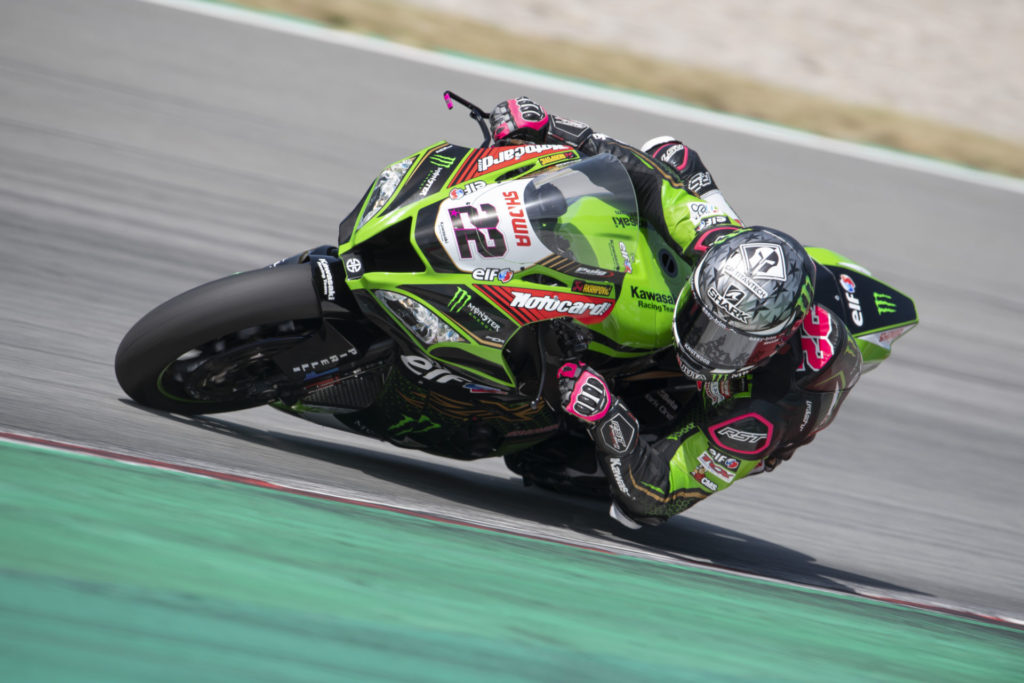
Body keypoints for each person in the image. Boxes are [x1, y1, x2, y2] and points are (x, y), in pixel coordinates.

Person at [490, 97, 863, 529]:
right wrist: (551, 128)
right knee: (670, 156)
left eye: (732, 342)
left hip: (738, 405)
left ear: (771, 344)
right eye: (703, 320)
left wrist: (606, 413)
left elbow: (655, 498)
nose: (706, 343)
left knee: (559, 462)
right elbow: (652, 182)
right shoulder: (716, 242)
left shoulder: (763, 411)